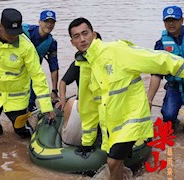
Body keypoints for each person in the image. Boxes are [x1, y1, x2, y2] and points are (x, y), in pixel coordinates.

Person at [68, 17, 184, 180]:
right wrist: (87, 141)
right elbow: (89, 106)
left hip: (131, 120)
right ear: (72, 42)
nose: (82, 39)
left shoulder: (116, 50)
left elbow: (157, 59)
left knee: (113, 162)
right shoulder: (86, 66)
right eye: (76, 36)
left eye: (85, 33)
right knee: (117, 164)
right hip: (112, 124)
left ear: (94, 34)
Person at [0, 8, 55, 140]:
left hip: (16, 96)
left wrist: (46, 106)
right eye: (10, 33)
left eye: (16, 33)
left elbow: (37, 76)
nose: (13, 36)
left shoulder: (26, 46)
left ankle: (27, 144)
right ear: (0, 26)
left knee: (20, 129)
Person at [148, 6, 183, 128]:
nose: (171, 23)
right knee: (168, 117)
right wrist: (150, 99)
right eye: (167, 20)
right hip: (174, 86)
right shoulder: (161, 44)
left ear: (182, 20)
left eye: (174, 20)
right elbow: (156, 74)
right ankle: (173, 118)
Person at [22, 10, 59, 112]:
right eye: (46, 21)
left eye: (52, 22)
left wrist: (54, 91)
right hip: (18, 70)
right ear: (39, 22)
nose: (49, 24)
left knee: (31, 100)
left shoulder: (51, 43)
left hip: (34, 73)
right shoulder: (24, 33)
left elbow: (54, 67)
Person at [56, 32, 102, 110]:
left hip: (103, 102)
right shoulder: (78, 63)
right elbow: (63, 82)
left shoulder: (107, 60)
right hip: (84, 104)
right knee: (70, 103)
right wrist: (62, 99)